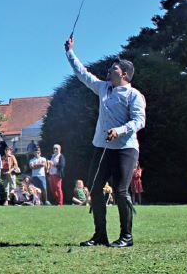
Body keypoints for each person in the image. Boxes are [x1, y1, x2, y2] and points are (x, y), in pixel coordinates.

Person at [65, 37, 146, 248]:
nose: (110, 70)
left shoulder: (134, 95)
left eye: (114, 69)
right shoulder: (103, 88)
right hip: (102, 147)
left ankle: (126, 237)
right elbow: (82, 74)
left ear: (125, 75)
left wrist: (119, 131)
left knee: (120, 191)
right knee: (96, 189)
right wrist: (70, 52)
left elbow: (139, 121)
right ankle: (100, 235)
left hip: (126, 149)